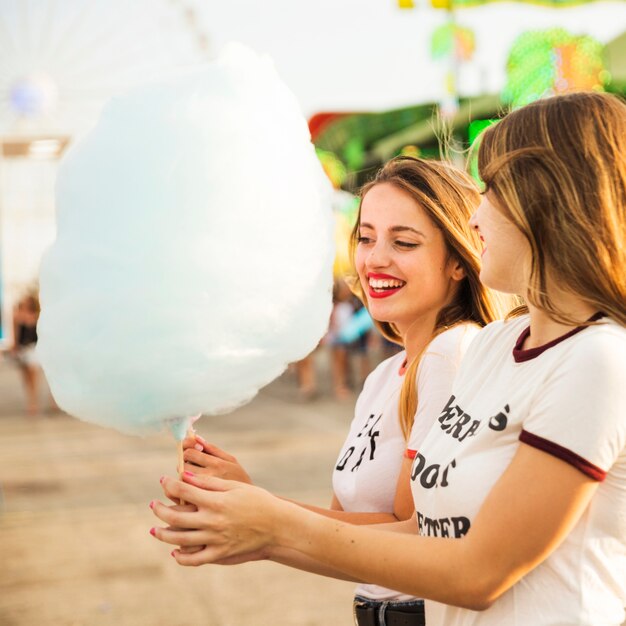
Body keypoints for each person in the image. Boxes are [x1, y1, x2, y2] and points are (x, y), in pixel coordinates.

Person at [151, 92, 626, 625]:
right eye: (366, 237)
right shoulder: (497, 346)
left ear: (548, 202)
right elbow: (423, 533)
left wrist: (277, 524)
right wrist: (257, 525)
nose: (475, 217)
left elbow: (480, 572)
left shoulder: (598, 360)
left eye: (492, 190)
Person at [158, 156, 507, 625]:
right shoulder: (384, 378)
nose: (375, 258)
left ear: (458, 262)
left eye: (403, 241)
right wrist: (248, 512)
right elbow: (342, 545)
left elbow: (415, 533)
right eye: (365, 237)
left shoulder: (450, 355)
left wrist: (268, 519)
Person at [10, 293, 41, 415]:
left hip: (33, 349)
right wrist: (15, 347)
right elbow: (16, 336)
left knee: (33, 373)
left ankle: (33, 401)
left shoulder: (37, 316)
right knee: (26, 377)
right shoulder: (17, 317)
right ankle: (31, 399)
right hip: (23, 350)